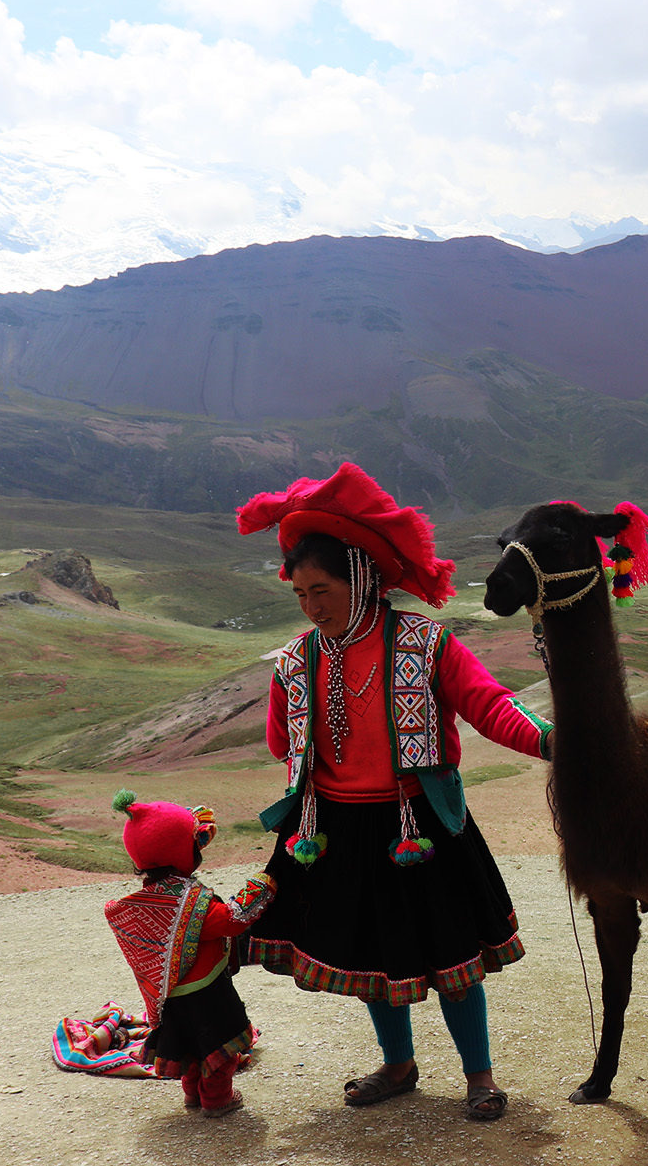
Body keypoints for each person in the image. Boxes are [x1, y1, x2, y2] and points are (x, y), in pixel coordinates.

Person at [234, 462, 553, 1122]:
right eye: (300, 594)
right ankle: (398, 1064)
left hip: (420, 828)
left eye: (321, 588)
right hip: (340, 830)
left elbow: (491, 707)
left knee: (455, 962)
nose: (311, 606)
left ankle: (480, 1076)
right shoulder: (294, 662)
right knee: (372, 960)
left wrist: (557, 743)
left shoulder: (426, 644)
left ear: (361, 577)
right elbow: (280, 744)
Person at [104, 792, 276, 1117]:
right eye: (193, 843)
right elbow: (232, 920)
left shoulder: (146, 902)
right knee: (218, 1052)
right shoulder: (190, 903)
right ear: (183, 852)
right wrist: (262, 885)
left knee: (188, 1051)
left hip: (172, 999)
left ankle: (192, 1095)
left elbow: (173, 844)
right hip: (208, 994)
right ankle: (216, 1099)